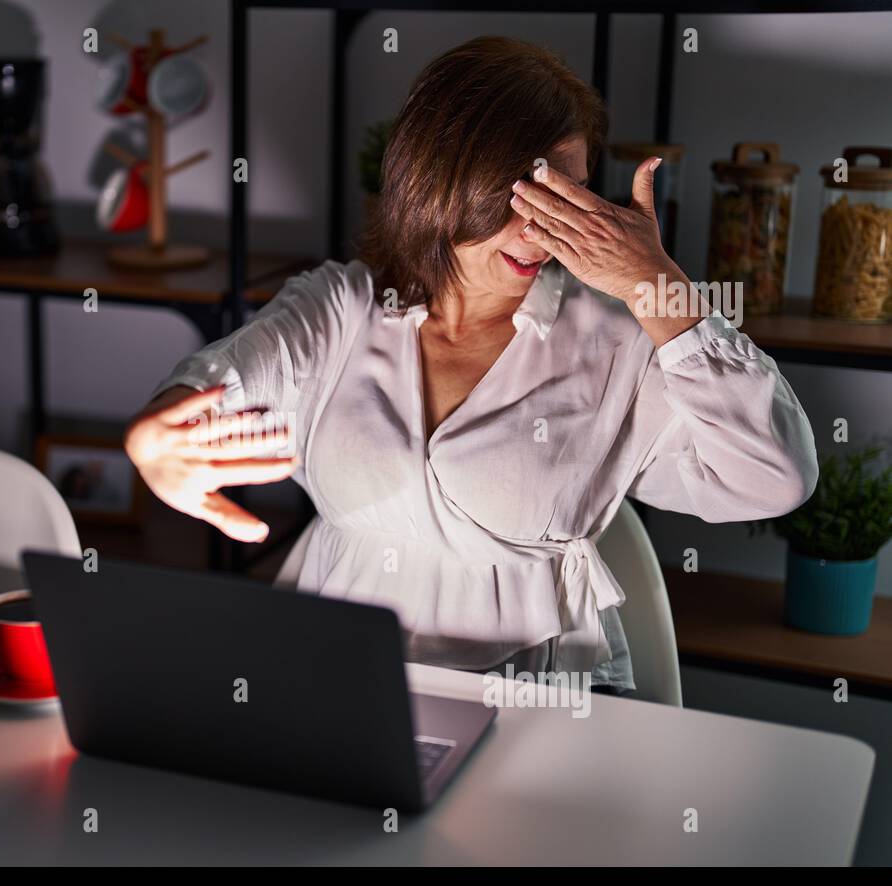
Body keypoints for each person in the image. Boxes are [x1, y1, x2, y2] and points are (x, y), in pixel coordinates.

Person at [123, 37, 817, 693]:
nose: (543, 229)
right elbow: (222, 381)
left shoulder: (620, 341)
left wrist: (653, 285)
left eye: (570, 197)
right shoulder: (343, 307)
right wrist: (157, 435)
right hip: (329, 683)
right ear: (442, 180)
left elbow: (774, 480)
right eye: (524, 194)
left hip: (533, 708)